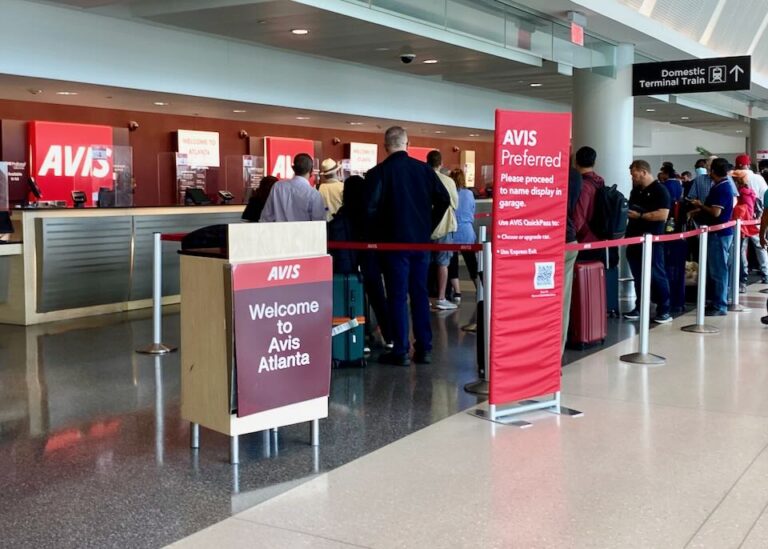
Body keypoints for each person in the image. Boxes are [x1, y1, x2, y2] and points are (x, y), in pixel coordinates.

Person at [365, 126, 450, 366]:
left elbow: (369, 209)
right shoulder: (424, 170)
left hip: (392, 245)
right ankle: (424, 347)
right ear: (407, 143)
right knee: (420, 293)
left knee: (397, 295)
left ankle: (400, 349)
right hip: (421, 243)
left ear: (385, 146)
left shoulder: (378, 173)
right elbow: (444, 199)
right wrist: (428, 226)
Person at [623, 160, 672, 324]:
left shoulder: (660, 191)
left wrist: (641, 216)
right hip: (634, 239)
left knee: (656, 274)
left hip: (653, 241)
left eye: (634, 174)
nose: (632, 178)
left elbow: (663, 215)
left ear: (644, 172)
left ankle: (664, 308)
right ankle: (641, 306)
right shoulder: (636, 190)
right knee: (638, 276)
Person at [689, 158, 734, 316]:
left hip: (718, 234)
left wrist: (700, 205)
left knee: (718, 270)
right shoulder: (724, 185)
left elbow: (716, 212)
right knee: (718, 269)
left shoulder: (721, 188)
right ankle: (717, 302)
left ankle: (719, 305)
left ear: (713, 171)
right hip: (721, 234)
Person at [426, 150, 458, 311]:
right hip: (444, 227)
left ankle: (423, 297)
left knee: (423, 263)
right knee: (443, 263)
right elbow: (454, 204)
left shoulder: (423, 178)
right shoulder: (448, 181)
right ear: (441, 163)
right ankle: (441, 297)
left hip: (424, 228)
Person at [259, 154, 326, 222]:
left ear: (293, 168)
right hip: (304, 232)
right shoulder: (314, 194)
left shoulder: (277, 187)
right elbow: (319, 223)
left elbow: (266, 217)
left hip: (279, 232)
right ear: (311, 171)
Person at [731, 171, 768, 290]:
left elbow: (751, 210)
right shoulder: (750, 189)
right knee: (758, 248)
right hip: (752, 223)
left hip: (745, 225)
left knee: (742, 249)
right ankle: (765, 273)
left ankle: (744, 276)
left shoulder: (743, 192)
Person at [658, 164, 686, 313]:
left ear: (665, 172)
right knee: (678, 269)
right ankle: (678, 301)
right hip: (678, 230)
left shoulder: (666, 186)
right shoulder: (679, 184)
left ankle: (668, 301)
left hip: (667, 231)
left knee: (667, 268)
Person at [447, 168, 478, 301]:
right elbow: (472, 210)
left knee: (452, 263)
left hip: (453, 231)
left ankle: (457, 292)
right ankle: (479, 288)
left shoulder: (450, 193)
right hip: (467, 231)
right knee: (471, 262)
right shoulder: (469, 194)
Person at [561, 162, 582, 355]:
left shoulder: (541, 170)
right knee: (562, 300)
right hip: (569, 238)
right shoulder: (575, 176)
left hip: (546, 239)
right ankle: (555, 354)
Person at [572, 146, 605, 260]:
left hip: (585, 239)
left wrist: (570, 235)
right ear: (594, 162)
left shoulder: (584, 185)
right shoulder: (599, 181)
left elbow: (579, 215)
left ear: (575, 162)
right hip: (598, 237)